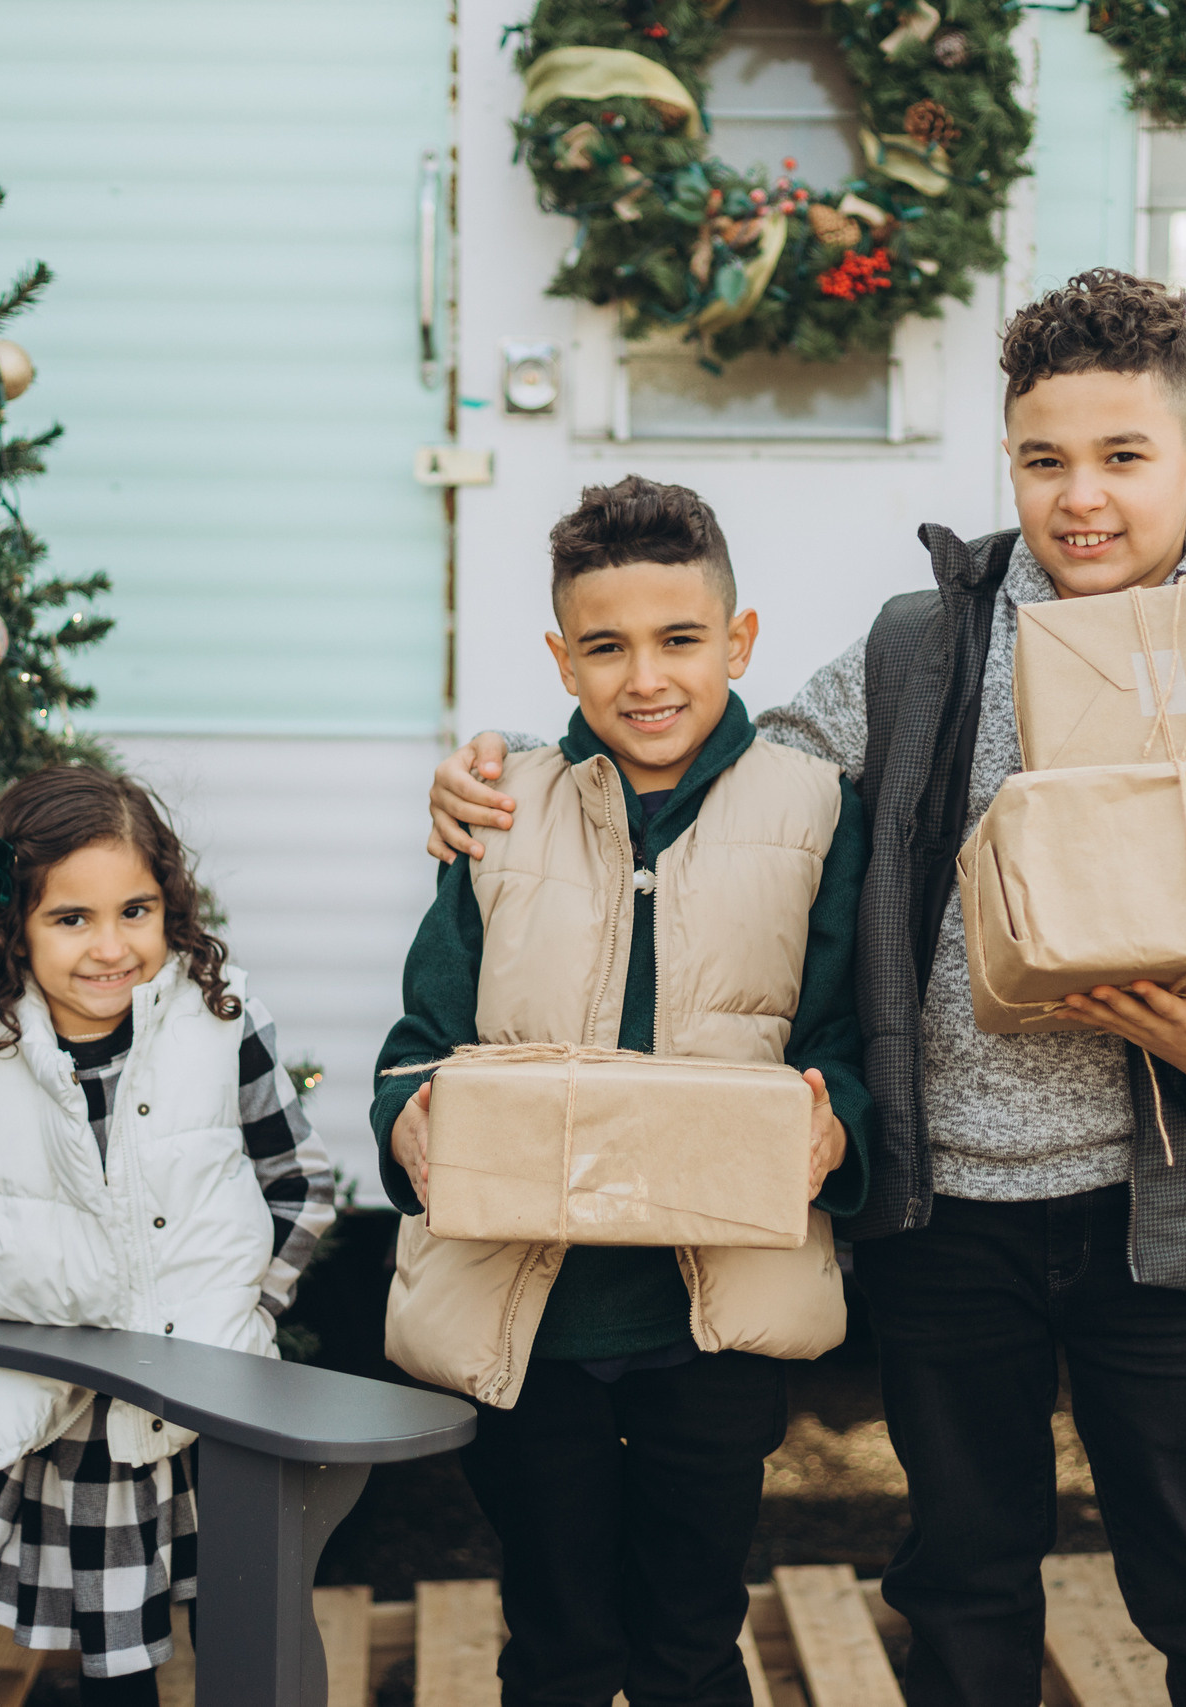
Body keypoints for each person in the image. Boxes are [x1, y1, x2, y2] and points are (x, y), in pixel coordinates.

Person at [423, 272, 1186, 1707]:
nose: (1082, 497)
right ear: (1009, 461)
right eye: (1045, 460)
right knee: (963, 1572)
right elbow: (738, 764)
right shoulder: (922, 647)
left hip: (1160, 1214)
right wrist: (508, 780)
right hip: (950, 1216)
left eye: (1123, 457)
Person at [373, 475, 872, 1707]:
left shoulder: (814, 811)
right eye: (606, 647)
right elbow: (420, 1036)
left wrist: (833, 1126)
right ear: (561, 658)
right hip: (527, 1323)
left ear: (738, 641)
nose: (645, 678)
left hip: (708, 1323)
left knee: (692, 1639)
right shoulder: (499, 808)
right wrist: (410, 1120)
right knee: (554, 1638)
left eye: (679, 640)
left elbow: (847, 1038)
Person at [0, 764, 335, 1706]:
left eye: (136, 910)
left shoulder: (222, 1023)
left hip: (222, 1402)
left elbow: (300, 1181)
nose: (111, 947)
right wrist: (10, 1302)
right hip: (84, 1423)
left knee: (249, 1632)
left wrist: (249, 1310)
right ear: (15, 927)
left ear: (170, 906)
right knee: (116, 1659)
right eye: (71, 918)